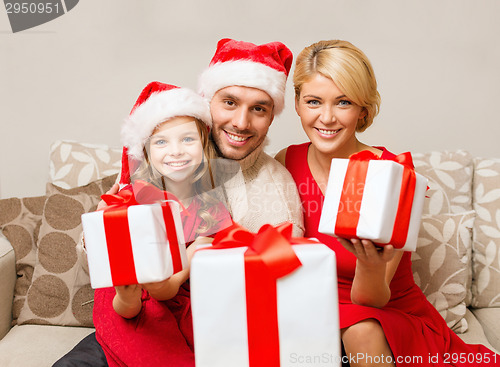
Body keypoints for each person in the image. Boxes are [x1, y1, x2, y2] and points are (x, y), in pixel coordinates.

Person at [53, 39, 304, 367]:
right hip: (131, 313)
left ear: (271, 116)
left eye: (259, 108)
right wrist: (101, 240)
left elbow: (283, 277)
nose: (241, 122)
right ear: (207, 102)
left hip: (213, 322)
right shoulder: (150, 170)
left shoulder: (273, 182)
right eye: (229, 102)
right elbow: (104, 268)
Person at [276, 39, 500, 367]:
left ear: (362, 110)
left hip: (383, 312)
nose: (326, 117)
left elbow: (374, 298)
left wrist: (369, 264)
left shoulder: (390, 173)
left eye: (343, 102)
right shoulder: (286, 161)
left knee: (360, 330)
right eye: (313, 101)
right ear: (296, 103)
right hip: (318, 309)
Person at [93, 81, 233, 367]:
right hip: (124, 306)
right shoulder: (124, 203)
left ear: (204, 145)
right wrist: (127, 295)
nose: (176, 151)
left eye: (187, 139)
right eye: (161, 141)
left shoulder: (212, 212)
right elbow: (123, 306)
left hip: (174, 300)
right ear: (146, 152)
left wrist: (158, 282)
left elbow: (167, 289)